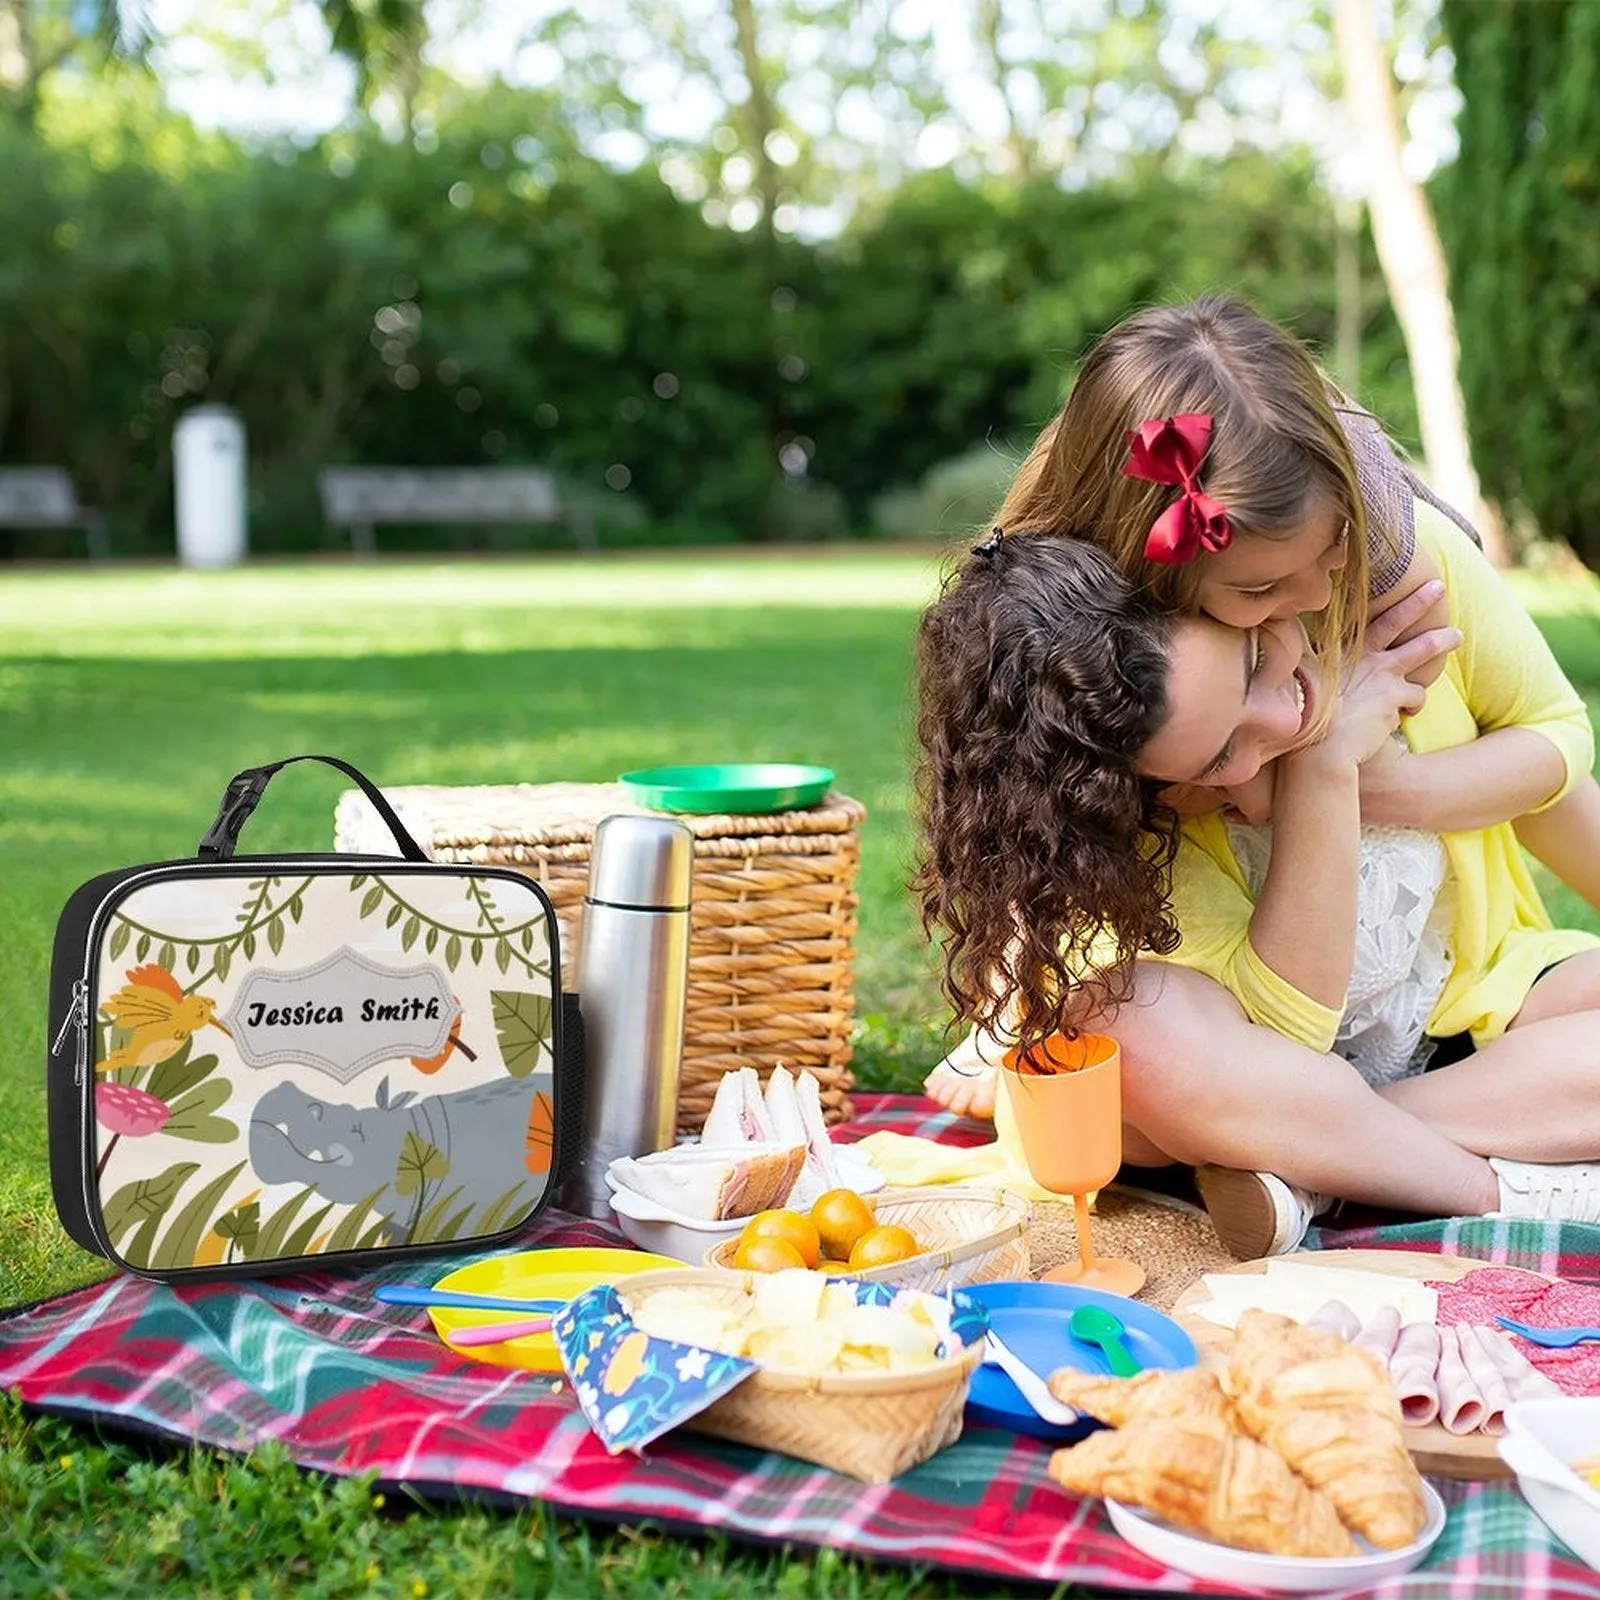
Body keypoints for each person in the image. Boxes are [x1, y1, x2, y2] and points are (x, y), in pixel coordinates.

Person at [922, 293, 1600, 1124]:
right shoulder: (1117, 683)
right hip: (1246, 1024)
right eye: (1258, 592)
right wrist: (1011, 994)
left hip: (1465, 989)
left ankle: (1353, 1144)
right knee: (1133, 1066)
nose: (1315, 594)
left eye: (1333, 549)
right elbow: (1037, 832)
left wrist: (1367, 782)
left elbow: (1558, 741)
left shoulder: (1403, 569)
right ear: (1154, 574)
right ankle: (1364, 1135)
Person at [903, 521, 1600, 1259]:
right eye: (1220, 753)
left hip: (1466, 1021)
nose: (1282, 715)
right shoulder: (1137, 793)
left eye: (1255, 658)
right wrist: (1321, 769)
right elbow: (1287, 1041)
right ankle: (1496, 1188)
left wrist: (1380, 782)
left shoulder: (1395, 586)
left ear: (1234, 596)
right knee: (1128, 1027)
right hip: (1244, 1081)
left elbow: (1555, 757)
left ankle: (1314, 1172)